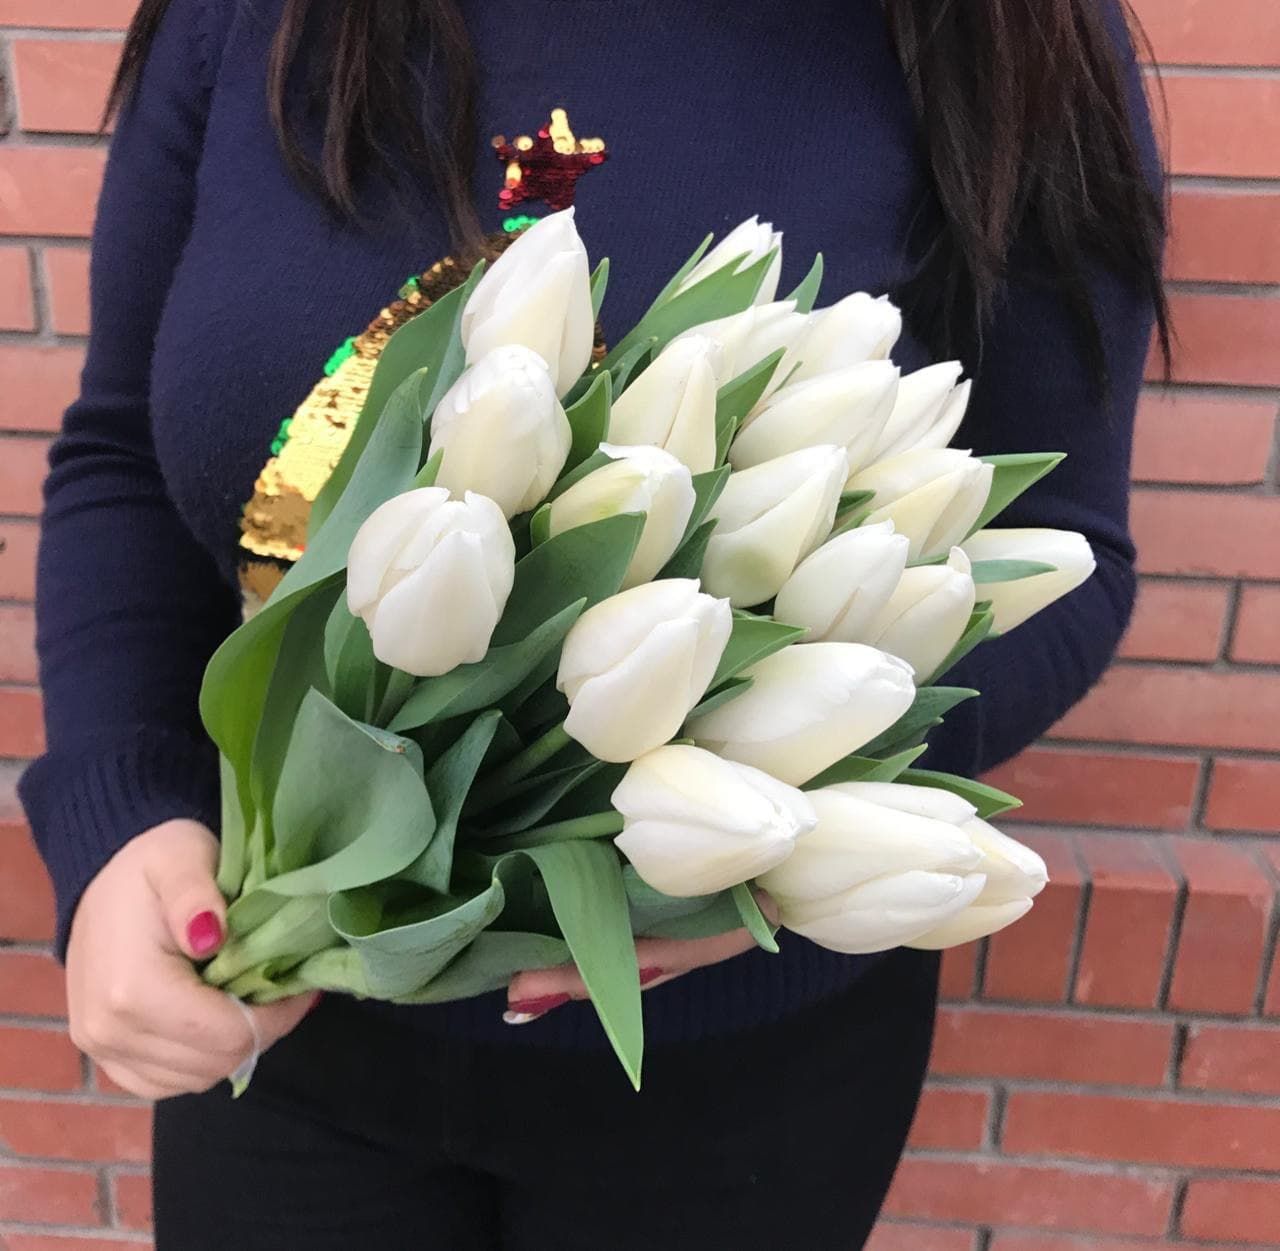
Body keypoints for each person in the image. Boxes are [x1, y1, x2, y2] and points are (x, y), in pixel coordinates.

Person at [20, 0, 1167, 1246]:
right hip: (282, 1011)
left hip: (740, 1085)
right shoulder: (257, 18)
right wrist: (123, 814)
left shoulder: (987, 32)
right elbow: (122, 454)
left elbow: (1058, 546)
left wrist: (770, 839)